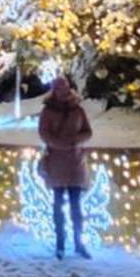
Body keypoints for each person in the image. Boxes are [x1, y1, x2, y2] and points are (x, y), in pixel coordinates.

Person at [37, 75, 93, 259]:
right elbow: (44, 133)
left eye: (66, 86)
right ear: (54, 90)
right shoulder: (48, 111)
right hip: (57, 162)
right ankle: (60, 244)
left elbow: (87, 131)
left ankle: (79, 243)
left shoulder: (77, 109)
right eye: (59, 87)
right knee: (58, 205)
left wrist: (74, 141)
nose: (63, 90)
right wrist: (60, 144)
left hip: (75, 162)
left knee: (76, 206)